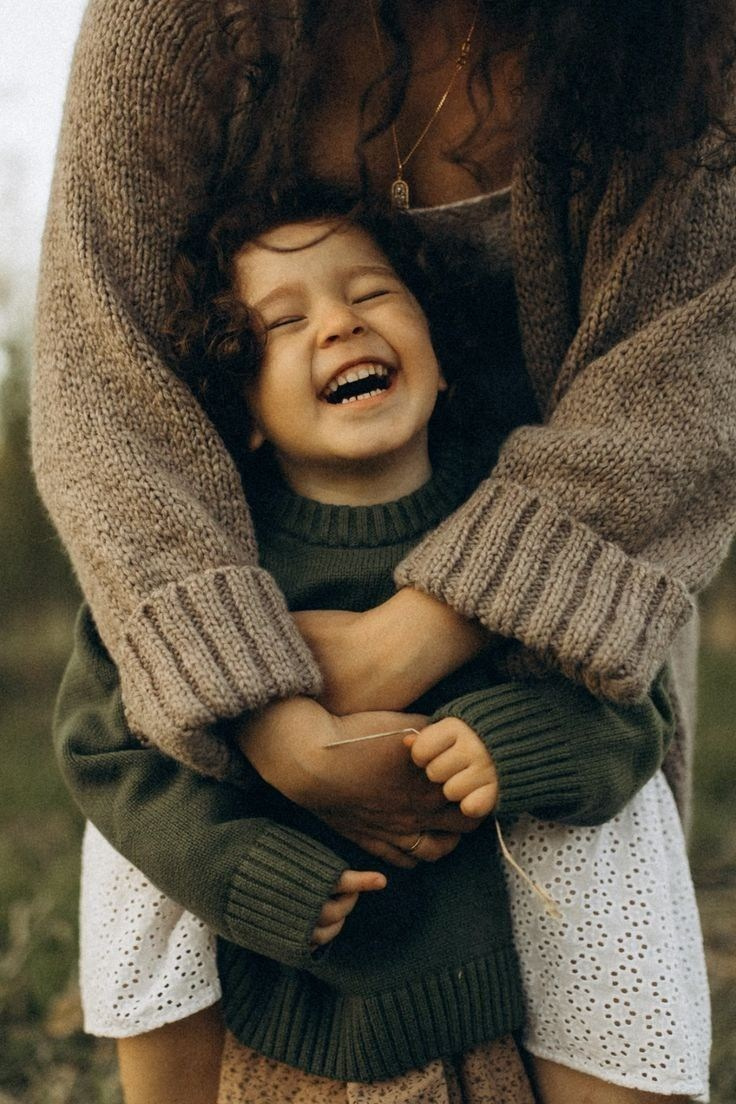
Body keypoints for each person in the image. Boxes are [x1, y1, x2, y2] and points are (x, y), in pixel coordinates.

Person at [33, 0, 736, 1096]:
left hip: (584, 574)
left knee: (596, 871)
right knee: (164, 705)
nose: (339, 325)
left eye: (371, 293)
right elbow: (102, 379)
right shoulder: (181, 22)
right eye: (282, 321)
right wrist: (263, 710)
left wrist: (411, 645)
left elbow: (690, 372)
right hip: (241, 589)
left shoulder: (683, 36)